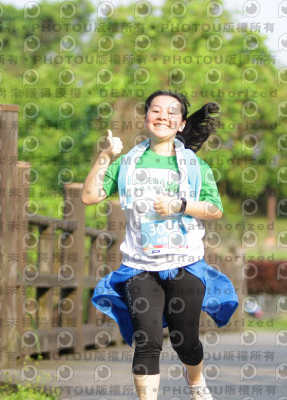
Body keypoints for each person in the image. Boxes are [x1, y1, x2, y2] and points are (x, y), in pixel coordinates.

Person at [82, 90, 238, 400]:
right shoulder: (128, 162)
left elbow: (214, 209)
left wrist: (179, 205)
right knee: (147, 341)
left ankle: (196, 384)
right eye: (156, 110)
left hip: (185, 263)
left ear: (181, 124)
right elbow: (90, 196)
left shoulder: (194, 166)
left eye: (171, 112)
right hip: (140, 266)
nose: (162, 116)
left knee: (185, 340)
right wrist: (105, 155)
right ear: (146, 118)